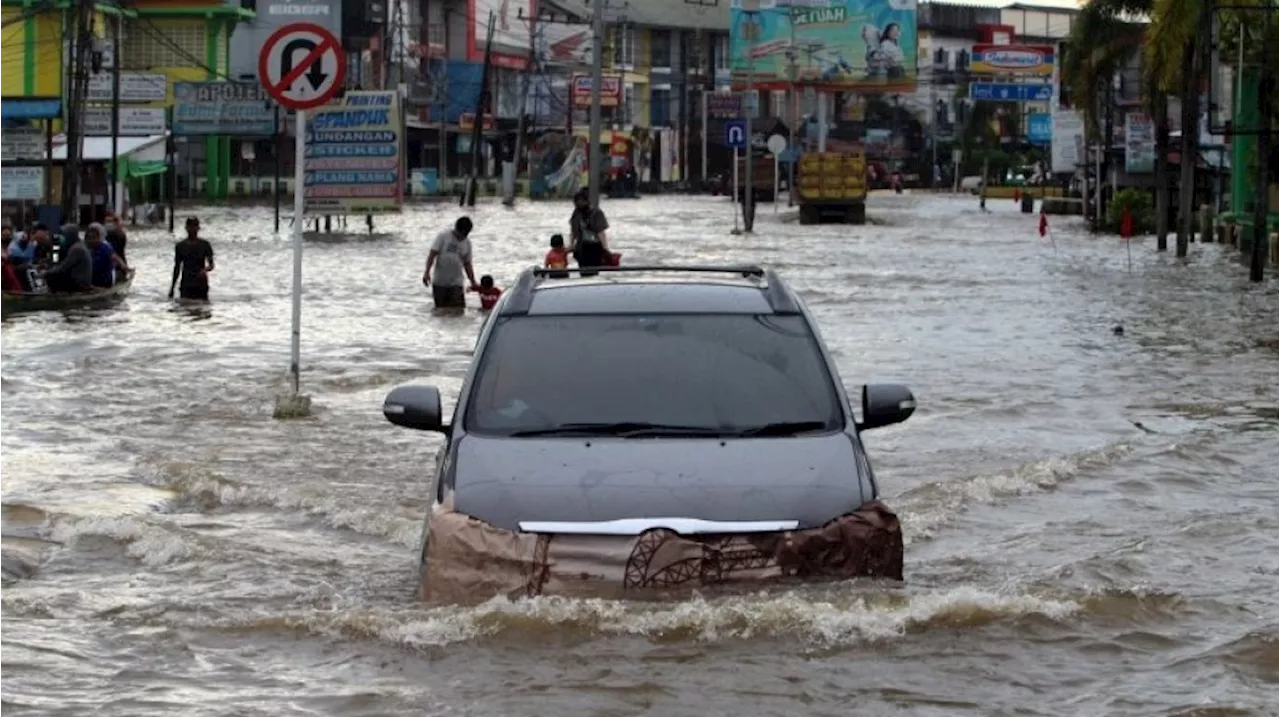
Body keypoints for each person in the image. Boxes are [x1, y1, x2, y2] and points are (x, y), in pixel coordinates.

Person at [423, 216, 480, 309]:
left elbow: (467, 264)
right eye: (460, 234)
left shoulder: (467, 243)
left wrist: (473, 282)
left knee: (458, 311)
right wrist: (426, 272)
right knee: (441, 312)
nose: (462, 237)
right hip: (439, 282)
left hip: (457, 283)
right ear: (456, 229)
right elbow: (432, 254)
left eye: (465, 235)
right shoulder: (443, 236)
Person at [169, 216, 215, 301]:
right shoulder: (180, 246)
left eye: (194, 226)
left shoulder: (205, 245)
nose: (192, 229)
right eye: (190, 227)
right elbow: (177, 268)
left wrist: (205, 270)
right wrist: (172, 288)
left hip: (201, 283)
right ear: (186, 228)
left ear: (198, 228)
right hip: (186, 283)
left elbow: (211, 265)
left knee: (203, 308)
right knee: (185, 309)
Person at [568, 188, 611, 276]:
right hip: (582, 248)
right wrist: (571, 245)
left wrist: (605, 248)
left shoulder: (596, 213)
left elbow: (601, 232)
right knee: (584, 271)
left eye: (581, 201)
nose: (578, 204)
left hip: (594, 247)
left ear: (586, 201)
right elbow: (573, 230)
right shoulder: (576, 213)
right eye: (577, 202)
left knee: (592, 272)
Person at [41, 224, 93, 293]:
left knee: (52, 277)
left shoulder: (76, 248)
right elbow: (56, 260)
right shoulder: (76, 245)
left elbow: (63, 267)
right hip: (79, 280)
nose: (63, 238)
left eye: (64, 235)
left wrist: (46, 273)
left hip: (80, 283)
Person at [85, 223, 128, 288]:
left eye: (94, 238)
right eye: (89, 238)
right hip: (92, 280)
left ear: (99, 238)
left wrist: (124, 266)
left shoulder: (105, 247)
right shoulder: (85, 247)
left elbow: (116, 258)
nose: (92, 240)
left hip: (105, 280)